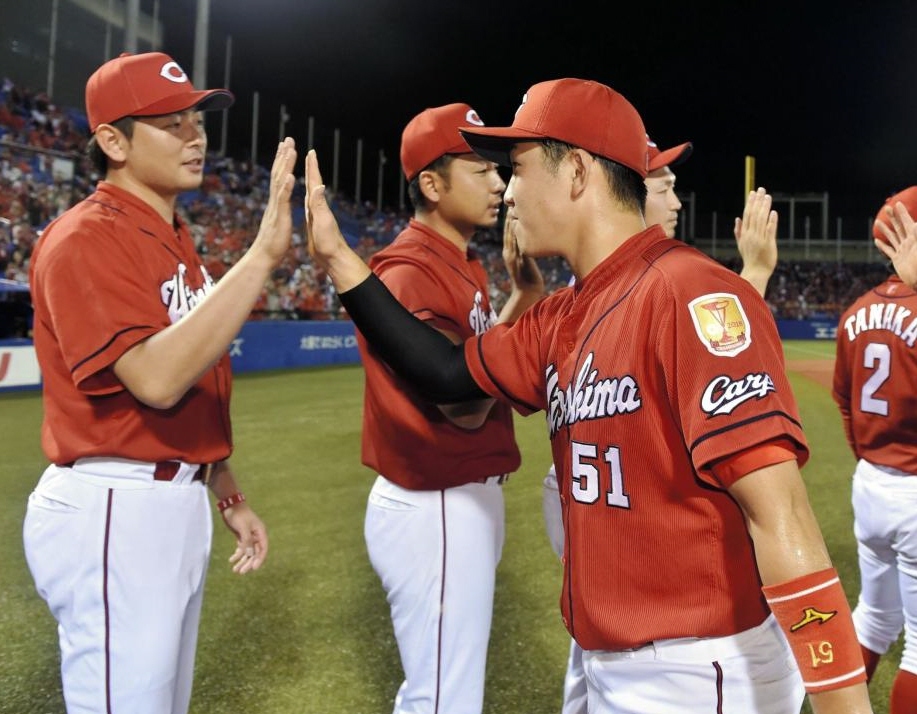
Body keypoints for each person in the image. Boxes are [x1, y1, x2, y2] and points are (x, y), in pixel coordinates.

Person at [305, 77, 873, 713]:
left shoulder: (690, 293)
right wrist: (339, 260)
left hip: (696, 666)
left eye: (517, 168)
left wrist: (842, 703)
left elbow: (782, 514)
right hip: (608, 656)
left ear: (575, 170)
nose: (509, 190)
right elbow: (443, 375)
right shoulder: (563, 314)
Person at [22, 51, 297, 714]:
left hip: (168, 500)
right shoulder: (85, 238)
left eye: (194, 120)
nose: (193, 135)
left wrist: (226, 492)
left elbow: (196, 386)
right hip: (112, 505)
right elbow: (157, 379)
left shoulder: (172, 235)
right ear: (112, 141)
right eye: (168, 123)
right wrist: (261, 255)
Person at [540, 133, 781, 714]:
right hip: (622, 524)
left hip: (590, 505)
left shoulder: (599, 287)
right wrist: (752, 275)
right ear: (621, 193)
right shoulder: (636, 288)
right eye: (663, 187)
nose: (676, 202)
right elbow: (702, 377)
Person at [359, 103, 543, 714]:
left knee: (444, 691)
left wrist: (521, 299)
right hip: (434, 502)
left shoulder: (453, 259)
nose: (499, 182)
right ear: (432, 185)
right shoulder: (411, 269)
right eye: (479, 169)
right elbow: (462, 403)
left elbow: (470, 369)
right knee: (444, 699)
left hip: (454, 499)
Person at [832, 186, 917, 714]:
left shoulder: (855, 313)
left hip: (871, 481)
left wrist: (870, 460)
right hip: (914, 487)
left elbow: (844, 404)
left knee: (875, 617)